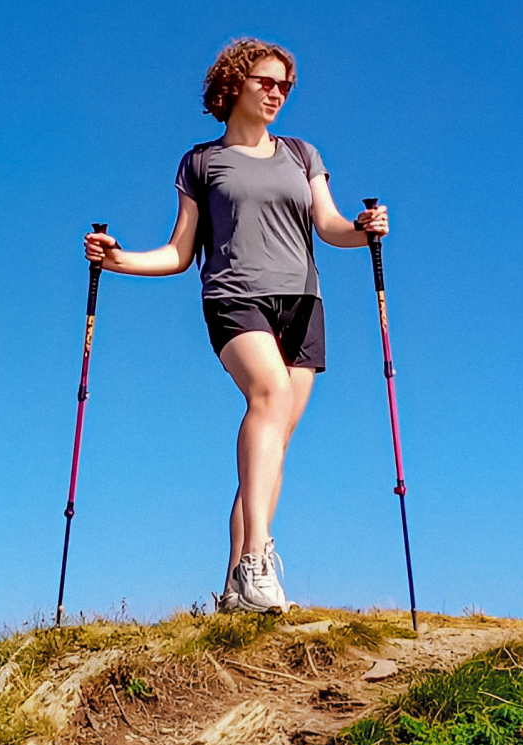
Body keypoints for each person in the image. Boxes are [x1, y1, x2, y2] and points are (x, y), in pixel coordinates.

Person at [83, 38, 389, 613]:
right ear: (235, 84)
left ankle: (235, 591)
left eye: (284, 86)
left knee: (272, 445)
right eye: (265, 82)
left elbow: (330, 226)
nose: (277, 93)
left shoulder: (301, 154)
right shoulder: (201, 162)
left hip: (302, 302)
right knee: (268, 397)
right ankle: (258, 562)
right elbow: (178, 253)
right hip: (234, 297)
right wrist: (117, 259)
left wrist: (364, 226)